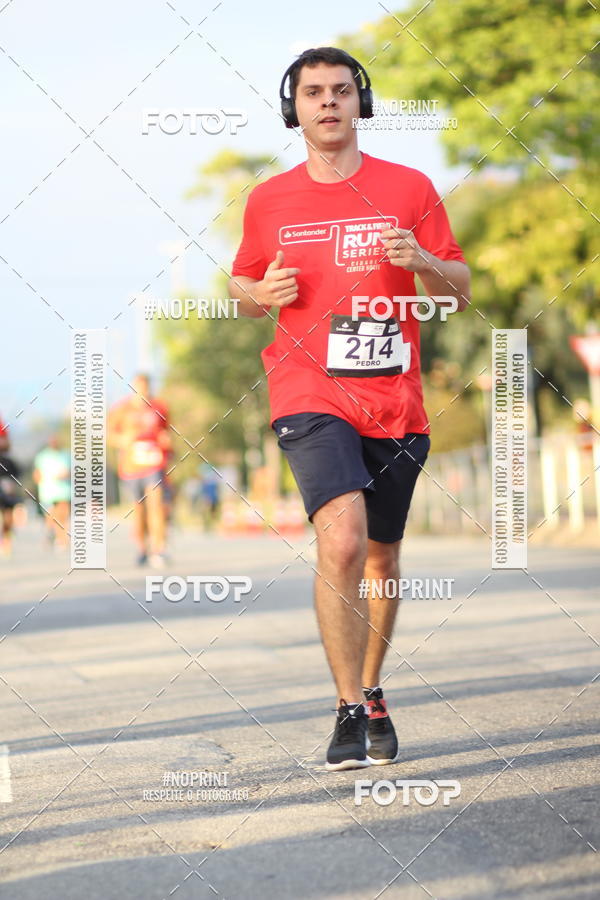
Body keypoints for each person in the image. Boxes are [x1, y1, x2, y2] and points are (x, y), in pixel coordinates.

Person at [228, 47, 470, 770]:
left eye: (340, 91)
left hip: (394, 399)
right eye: (312, 93)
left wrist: (422, 260)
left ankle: (371, 686)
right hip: (308, 390)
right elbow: (242, 284)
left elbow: (458, 290)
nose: (327, 102)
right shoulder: (269, 199)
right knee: (341, 539)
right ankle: (345, 707)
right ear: (293, 108)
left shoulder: (410, 187)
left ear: (360, 102)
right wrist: (257, 295)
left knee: (381, 553)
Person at [108, 373, 171, 567]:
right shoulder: (121, 409)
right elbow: (109, 435)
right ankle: (142, 548)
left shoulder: (159, 407)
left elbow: (167, 431)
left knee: (157, 505)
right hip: (131, 466)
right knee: (140, 509)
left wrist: (166, 441)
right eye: (139, 388)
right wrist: (122, 440)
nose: (143, 392)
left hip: (154, 463)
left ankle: (158, 550)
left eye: (146, 388)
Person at [33, 436, 71, 550]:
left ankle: (62, 539)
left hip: (63, 491)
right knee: (51, 517)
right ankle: (51, 533)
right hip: (48, 492)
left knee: (63, 515)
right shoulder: (42, 456)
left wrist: (66, 475)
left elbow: (73, 471)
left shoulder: (66, 455)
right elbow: (37, 474)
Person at [0, 417, 21, 557]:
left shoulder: (9, 461)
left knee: (8, 518)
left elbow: (16, 477)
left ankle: (7, 540)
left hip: (8, 494)